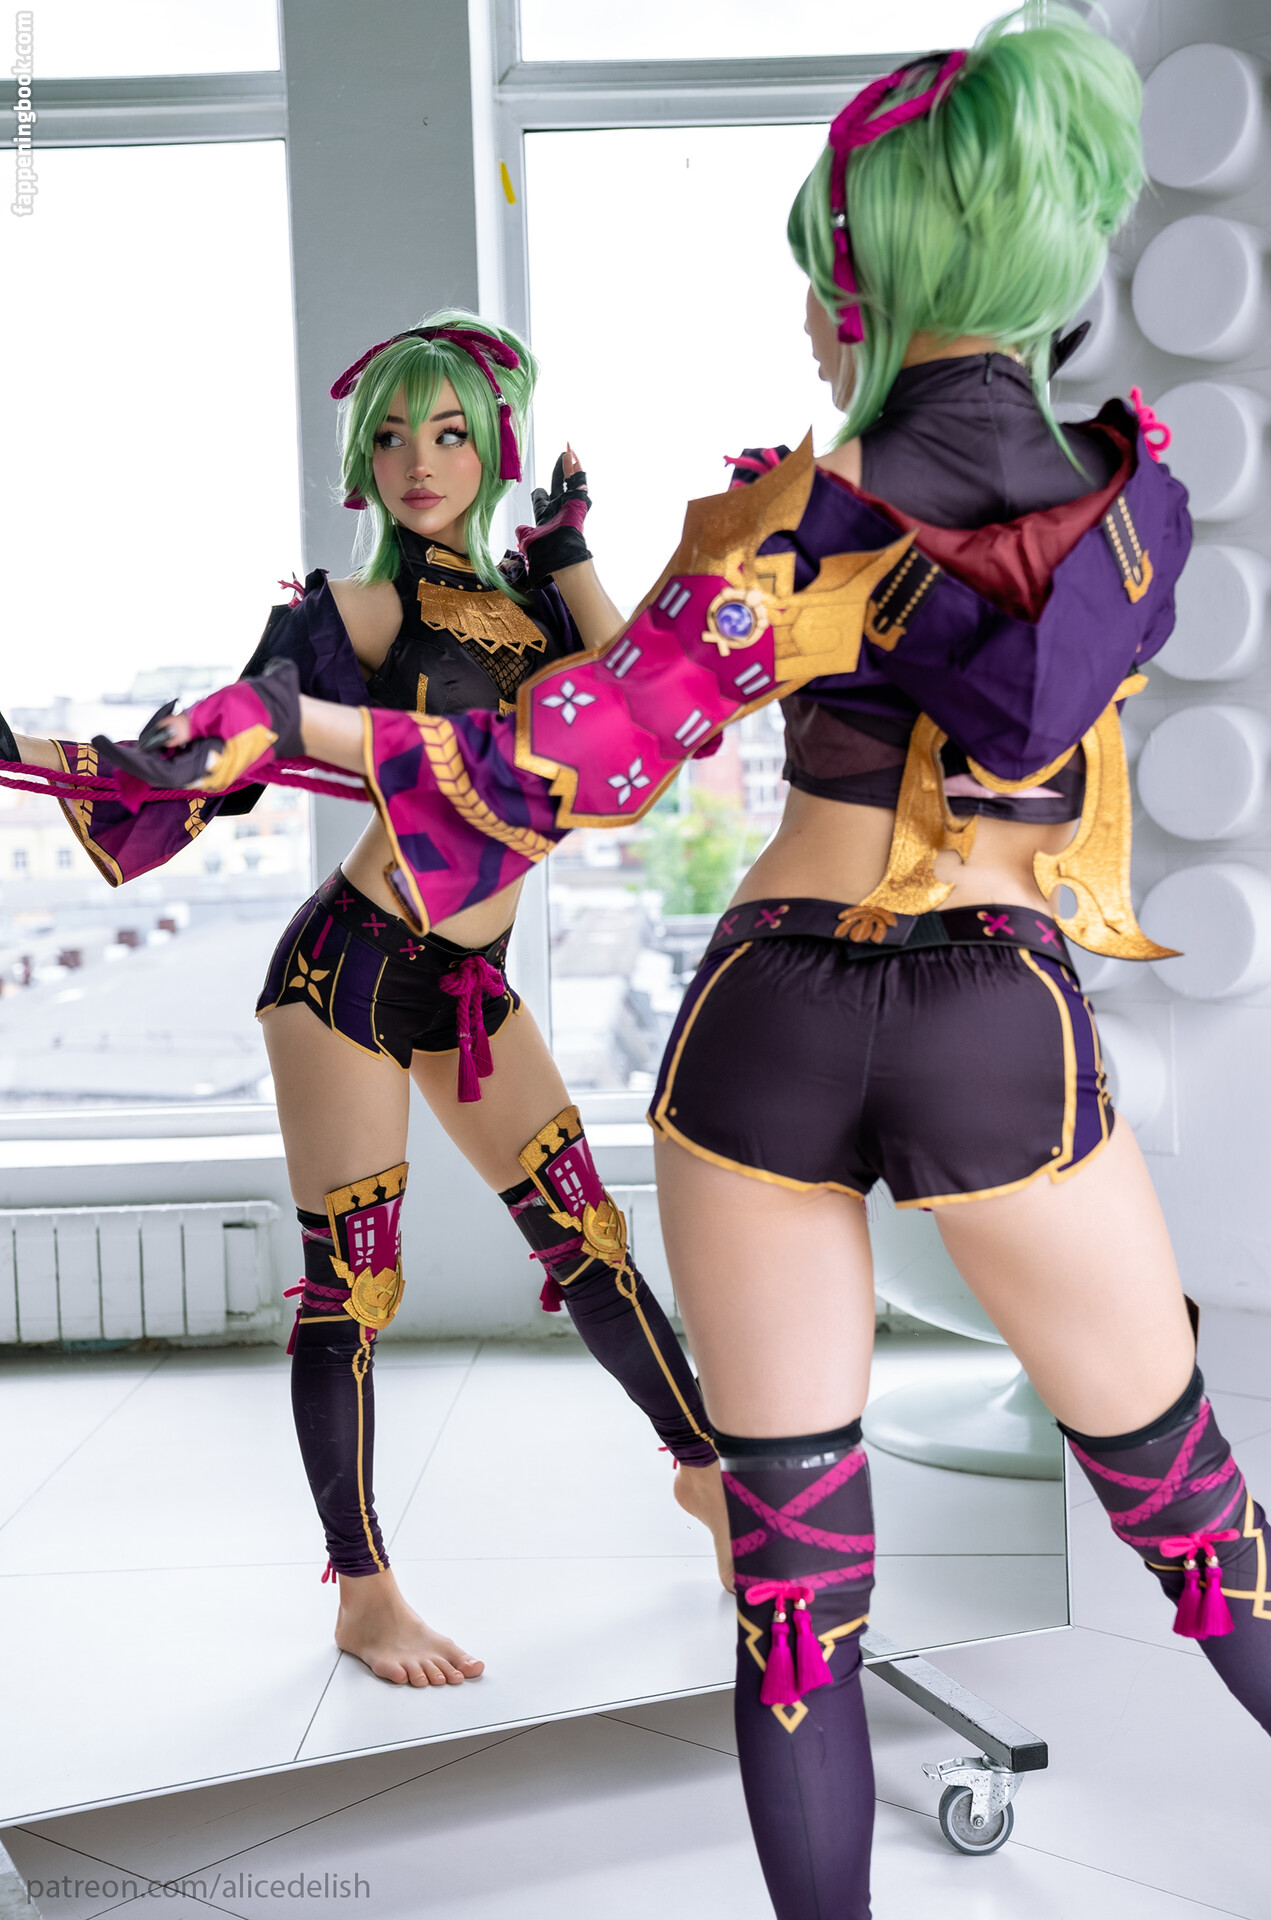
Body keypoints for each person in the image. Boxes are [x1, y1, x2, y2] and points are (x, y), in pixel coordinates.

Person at [95, 17, 1270, 1910]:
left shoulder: (793, 523)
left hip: (764, 1025)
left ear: (881, 274)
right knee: (1201, 1532)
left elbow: (552, 764)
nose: (809, 315)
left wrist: (271, 729)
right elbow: (1030, 690)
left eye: (824, 269)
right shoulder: (1140, 511)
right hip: (996, 1025)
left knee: (795, 1602)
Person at [5, 313, 728, 1694]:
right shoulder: (354, 617)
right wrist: (30, 750)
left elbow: (647, 725)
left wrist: (570, 550)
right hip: (345, 973)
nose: (418, 462)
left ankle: (705, 1474)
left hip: (467, 987)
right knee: (355, 1285)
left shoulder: (542, 613)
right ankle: (364, 1592)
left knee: (590, 1237)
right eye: (390, 437)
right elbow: (207, 747)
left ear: (495, 446)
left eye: (449, 433)